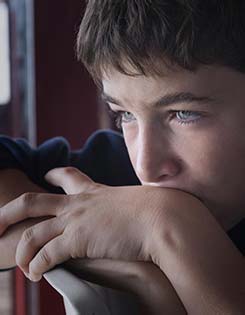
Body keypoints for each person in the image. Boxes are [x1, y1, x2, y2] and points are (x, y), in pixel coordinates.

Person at [0, 0, 245, 314]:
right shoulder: (115, 171)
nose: (145, 165)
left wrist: (168, 226)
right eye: (125, 115)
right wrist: (138, 273)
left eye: (184, 114)